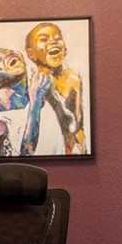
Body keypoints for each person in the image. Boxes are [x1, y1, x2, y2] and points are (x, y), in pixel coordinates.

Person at [19, 22, 86, 155]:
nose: (53, 42)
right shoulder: (30, 86)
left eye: (57, 38)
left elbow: (79, 126)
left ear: (65, 48)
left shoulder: (74, 79)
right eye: (44, 39)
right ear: (31, 54)